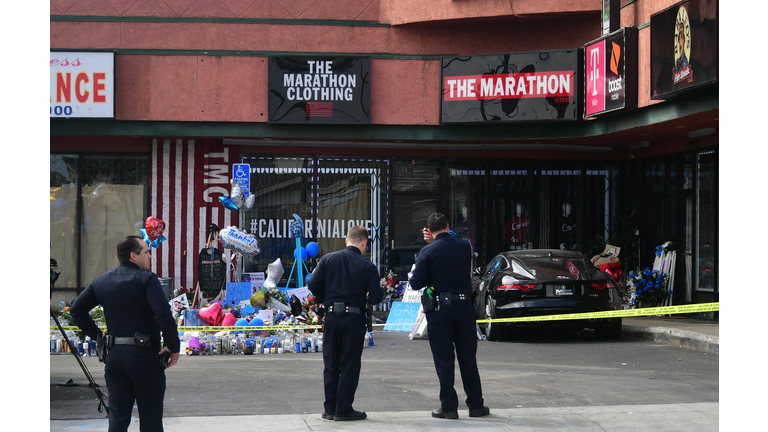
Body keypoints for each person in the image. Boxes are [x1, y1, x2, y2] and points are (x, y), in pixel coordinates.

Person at [70, 235, 180, 432]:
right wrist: (173, 345)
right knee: (151, 420)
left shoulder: (101, 281)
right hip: (146, 357)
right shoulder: (147, 279)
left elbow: (77, 310)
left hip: (115, 358)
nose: (150, 256)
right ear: (133, 255)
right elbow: (162, 313)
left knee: (118, 420)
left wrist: (97, 335)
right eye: (146, 251)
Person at [410, 213, 490, 420]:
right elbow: (450, 239)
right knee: (467, 357)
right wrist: (438, 238)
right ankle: (476, 405)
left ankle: (449, 407)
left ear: (428, 230)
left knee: (444, 359)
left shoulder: (426, 251)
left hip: (439, 310)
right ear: (447, 226)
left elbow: (416, 283)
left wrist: (430, 245)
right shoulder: (464, 246)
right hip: (464, 307)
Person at [308, 225, 383, 422]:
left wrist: (327, 296)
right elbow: (376, 297)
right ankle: (344, 408)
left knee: (331, 363)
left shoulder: (328, 259)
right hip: (354, 318)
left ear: (346, 240)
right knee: (349, 364)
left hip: (332, 317)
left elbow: (313, 285)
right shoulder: (368, 266)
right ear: (364, 243)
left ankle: (330, 408)